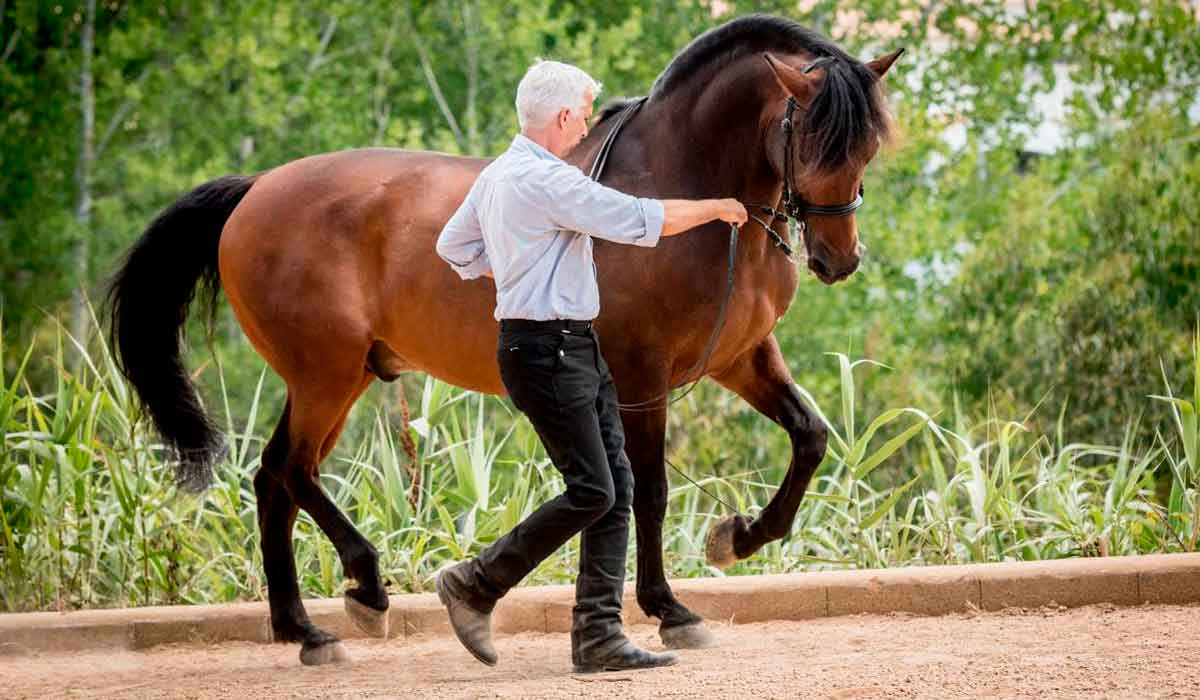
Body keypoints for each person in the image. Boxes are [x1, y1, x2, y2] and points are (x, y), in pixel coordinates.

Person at [434, 58, 747, 673]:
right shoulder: (551, 182)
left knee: (617, 485)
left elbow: (454, 246)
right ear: (561, 116)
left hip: (568, 346)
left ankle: (599, 635)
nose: (585, 129)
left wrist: (514, 267)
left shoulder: (500, 174)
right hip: (546, 352)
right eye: (581, 115)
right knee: (593, 489)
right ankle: (475, 583)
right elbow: (638, 221)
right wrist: (718, 207)